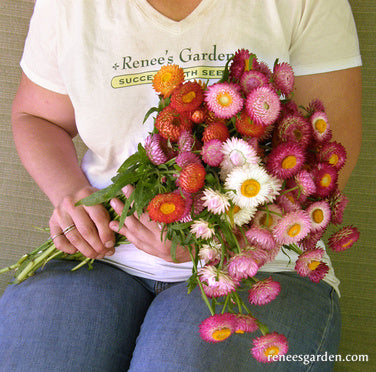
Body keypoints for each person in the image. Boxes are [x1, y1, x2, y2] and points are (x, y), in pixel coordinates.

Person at [0, 0, 362, 371]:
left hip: (257, 269)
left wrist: (220, 239)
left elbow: (331, 151)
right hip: (102, 254)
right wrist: (71, 193)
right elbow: (37, 115)